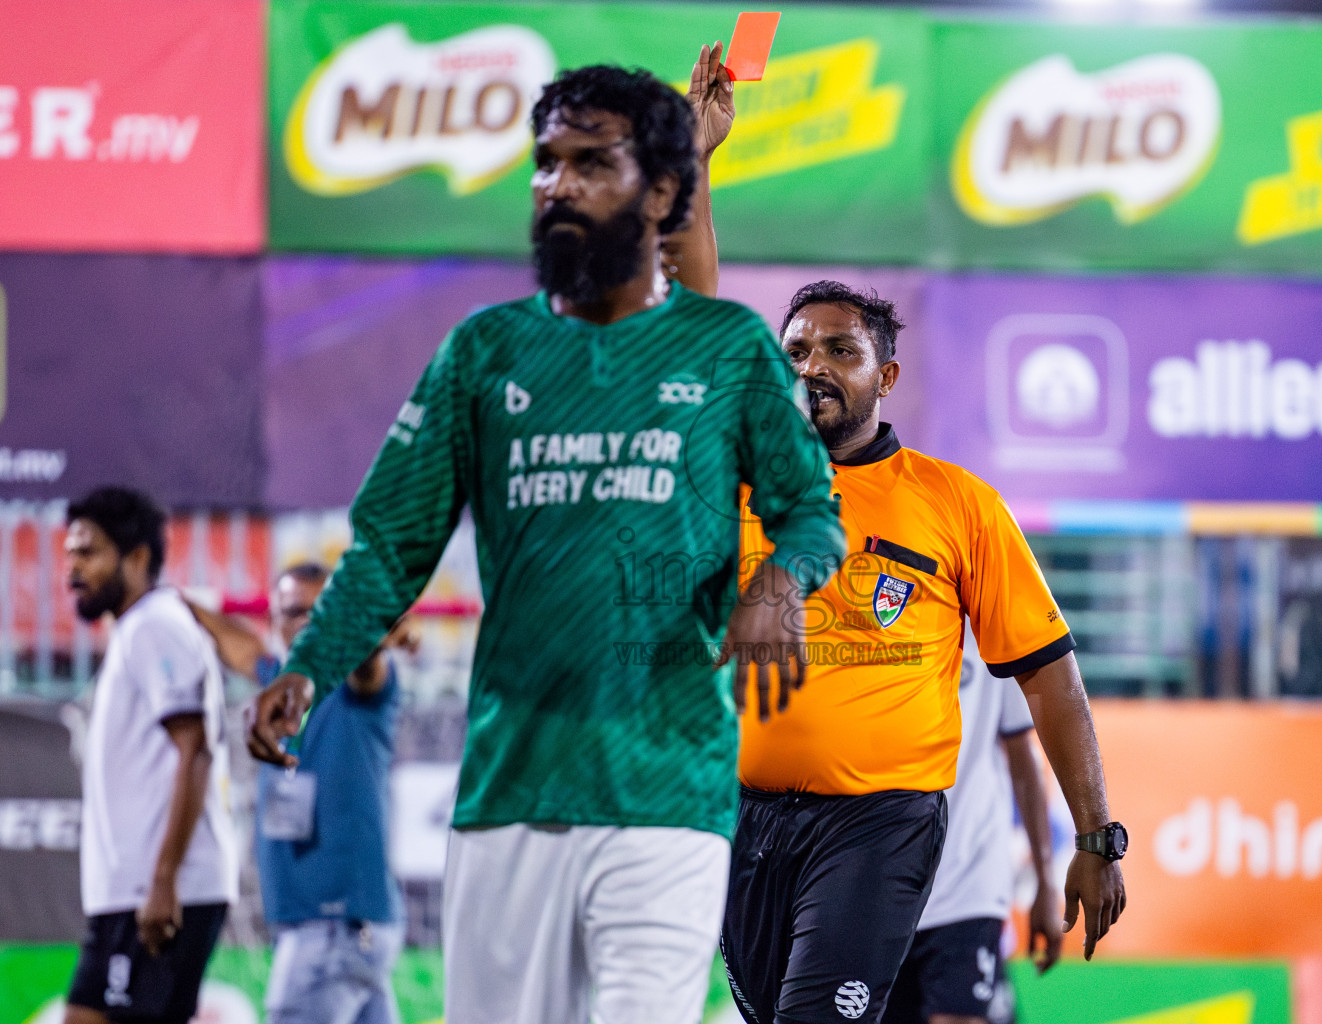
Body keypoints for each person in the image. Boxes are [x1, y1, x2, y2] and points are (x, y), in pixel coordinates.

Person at [246, 64, 846, 1024]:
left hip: (669, 788)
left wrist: (780, 581)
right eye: (544, 163)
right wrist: (310, 665)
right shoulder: (483, 352)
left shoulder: (727, 348)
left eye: (589, 163)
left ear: (658, 191)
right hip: (509, 791)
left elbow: (812, 512)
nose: (556, 184)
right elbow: (391, 545)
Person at [674, 51, 1127, 1024]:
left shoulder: (957, 505)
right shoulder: (750, 474)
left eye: (842, 349)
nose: (815, 366)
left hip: (882, 819)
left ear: (886, 374)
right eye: (797, 350)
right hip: (744, 816)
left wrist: (1096, 836)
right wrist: (698, 162)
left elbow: (1049, 677)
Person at [190, 563, 416, 1024]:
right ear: (273, 620)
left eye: (318, 613)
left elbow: (368, 663)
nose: (304, 624)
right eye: (291, 612)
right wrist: (172, 602)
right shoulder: (281, 685)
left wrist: (375, 633)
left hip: (334, 929)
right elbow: (238, 645)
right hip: (344, 932)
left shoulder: (357, 686)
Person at [62, 487, 238, 1024]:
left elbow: (197, 750)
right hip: (131, 892)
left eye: (88, 553)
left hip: (160, 891)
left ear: (136, 558)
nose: (73, 569)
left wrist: (164, 882)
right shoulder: (137, 630)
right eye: (70, 553)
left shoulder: (156, 627)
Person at [885, 639, 1064, 1024]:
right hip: (878, 880)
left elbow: (1022, 750)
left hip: (968, 875)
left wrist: (1046, 884)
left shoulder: (993, 624)